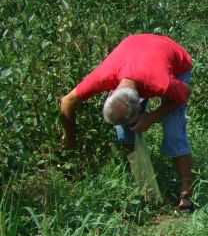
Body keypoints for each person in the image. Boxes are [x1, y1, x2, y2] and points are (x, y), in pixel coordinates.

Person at [59, 34, 196, 212]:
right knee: (125, 133)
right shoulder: (104, 76)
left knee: (173, 132)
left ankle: (186, 193)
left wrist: (152, 116)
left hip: (174, 59)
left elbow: (185, 95)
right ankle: (141, 186)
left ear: (139, 102)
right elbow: (67, 102)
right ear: (112, 91)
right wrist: (70, 140)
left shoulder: (163, 82)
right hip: (134, 51)